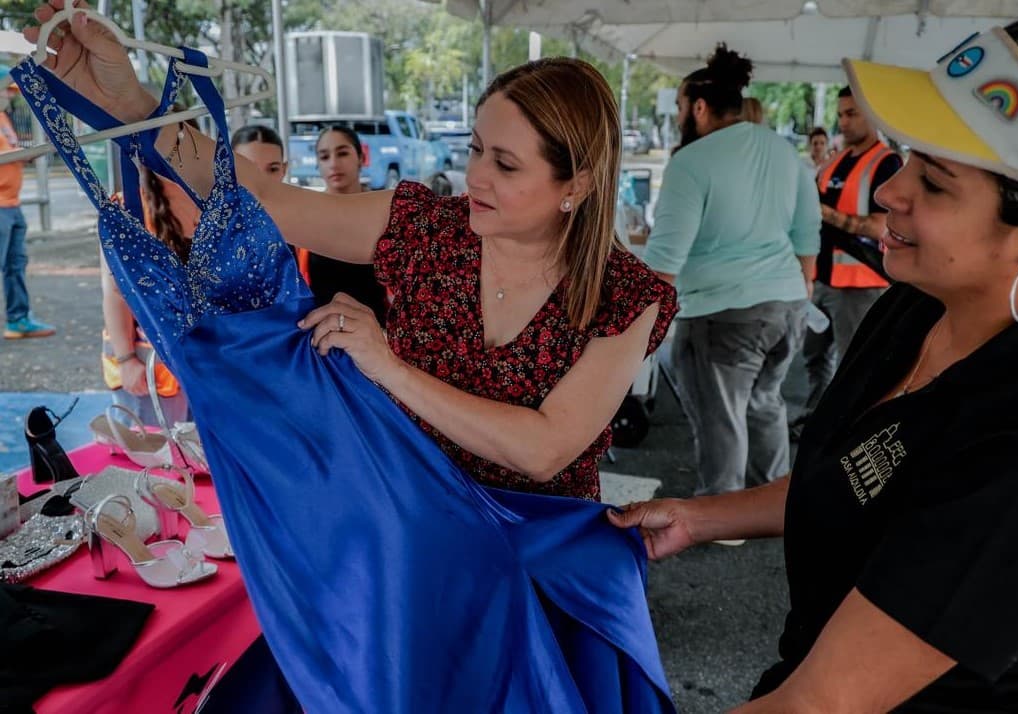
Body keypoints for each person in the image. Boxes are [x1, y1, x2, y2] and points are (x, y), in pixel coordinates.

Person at [612, 7, 1018, 712]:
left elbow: (821, 704)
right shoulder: (920, 308)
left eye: (936, 182)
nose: (890, 191)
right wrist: (702, 518)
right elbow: (853, 478)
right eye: (908, 156)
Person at [25, 2, 676, 504]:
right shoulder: (428, 227)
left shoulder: (626, 295)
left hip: (542, 561)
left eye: (505, 164)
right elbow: (255, 196)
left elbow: (544, 450)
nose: (475, 176)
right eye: (476, 149)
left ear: (578, 185)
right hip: (415, 527)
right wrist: (131, 103)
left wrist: (388, 366)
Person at [644, 44, 819, 499]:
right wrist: (800, 293)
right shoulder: (784, 151)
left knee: (721, 415)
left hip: (722, 312)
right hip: (788, 304)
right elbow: (807, 235)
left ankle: (722, 513)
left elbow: (665, 260)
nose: (680, 115)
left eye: (681, 106)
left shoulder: (691, 162)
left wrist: (634, 324)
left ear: (699, 107)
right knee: (764, 403)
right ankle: (774, 498)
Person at [792, 86, 902, 434]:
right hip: (823, 279)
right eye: (841, 114)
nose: (844, 121)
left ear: (872, 113)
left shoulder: (887, 162)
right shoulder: (832, 164)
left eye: (852, 113)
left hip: (860, 285)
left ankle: (850, 430)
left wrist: (828, 214)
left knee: (853, 364)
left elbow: (882, 224)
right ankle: (817, 416)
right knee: (814, 355)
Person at [101, 162, 199, 427]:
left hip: (207, 358)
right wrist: (126, 359)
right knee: (159, 456)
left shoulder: (214, 197)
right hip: (149, 365)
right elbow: (115, 293)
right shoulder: (124, 208)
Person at [291, 125, 389, 320]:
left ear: (361, 158)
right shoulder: (307, 215)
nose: (334, 164)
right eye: (324, 157)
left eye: (342, 153)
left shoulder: (384, 210)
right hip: (320, 335)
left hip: (378, 333)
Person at [0, 79, 54, 339]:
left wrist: (25, 153)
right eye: (5, 90)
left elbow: (10, 151)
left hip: (12, 203)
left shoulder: (3, 118)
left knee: (15, 264)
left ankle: (18, 319)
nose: (9, 96)